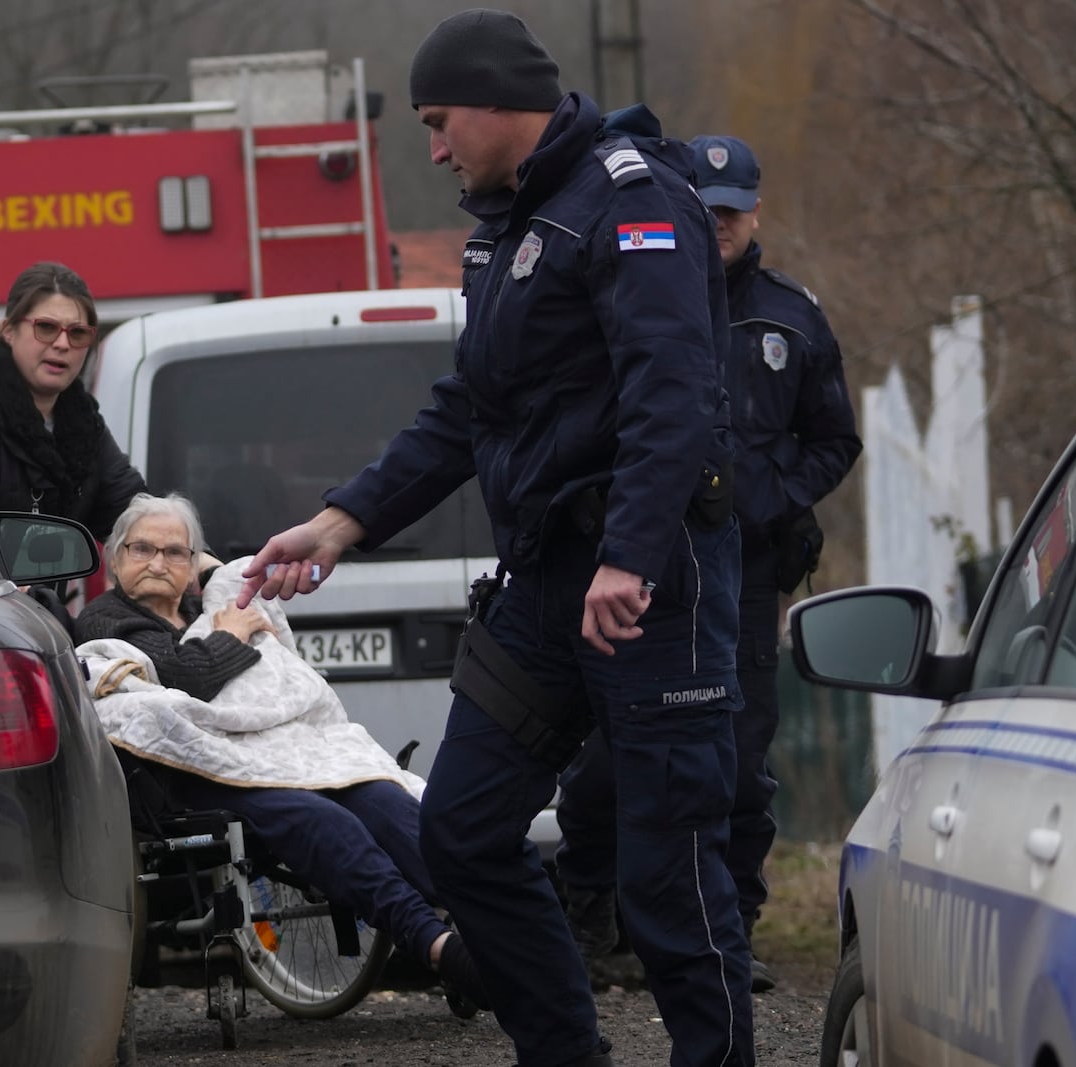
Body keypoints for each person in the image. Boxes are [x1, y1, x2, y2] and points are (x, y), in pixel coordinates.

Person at [236, 11, 752, 1067]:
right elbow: (471, 407)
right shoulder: (508, 225)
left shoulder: (632, 196)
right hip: (543, 587)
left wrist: (633, 552)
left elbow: (675, 393)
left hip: (648, 583)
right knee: (461, 833)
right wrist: (342, 521)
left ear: (494, 100)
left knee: (668, 878)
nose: (432, 148)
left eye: (437, 122)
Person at [555, 134, 862, 994]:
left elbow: (835, 441)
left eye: (733, 210)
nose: (720, 224)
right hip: (636, 565)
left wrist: (763, 500)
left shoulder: (791, 316)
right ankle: (595, 921)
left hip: (745, 574)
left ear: (755, 211)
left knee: (738, 757)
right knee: (610, 757)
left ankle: (731, 928)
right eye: (707, 208)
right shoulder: (634, 292)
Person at [74, 492, 489, 1012]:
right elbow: (183, 679)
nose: (158, 563)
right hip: (198, 774)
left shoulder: (209, 605)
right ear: (116, 560)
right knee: (317, 817)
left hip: (281, 752)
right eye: (142, 549)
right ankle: (437, 945)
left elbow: (257, 651)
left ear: (194, 568)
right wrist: (227, 638)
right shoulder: (104, 621)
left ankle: (491, 929)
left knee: (380, 798)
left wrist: (220, 620)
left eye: (175, 553)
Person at [0, 261, 145, 541]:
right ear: (9, 331)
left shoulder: (82, 423)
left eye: (77, 333)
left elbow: (138, 517)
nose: (62, 344)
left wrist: (206, 566)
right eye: (46, 327)